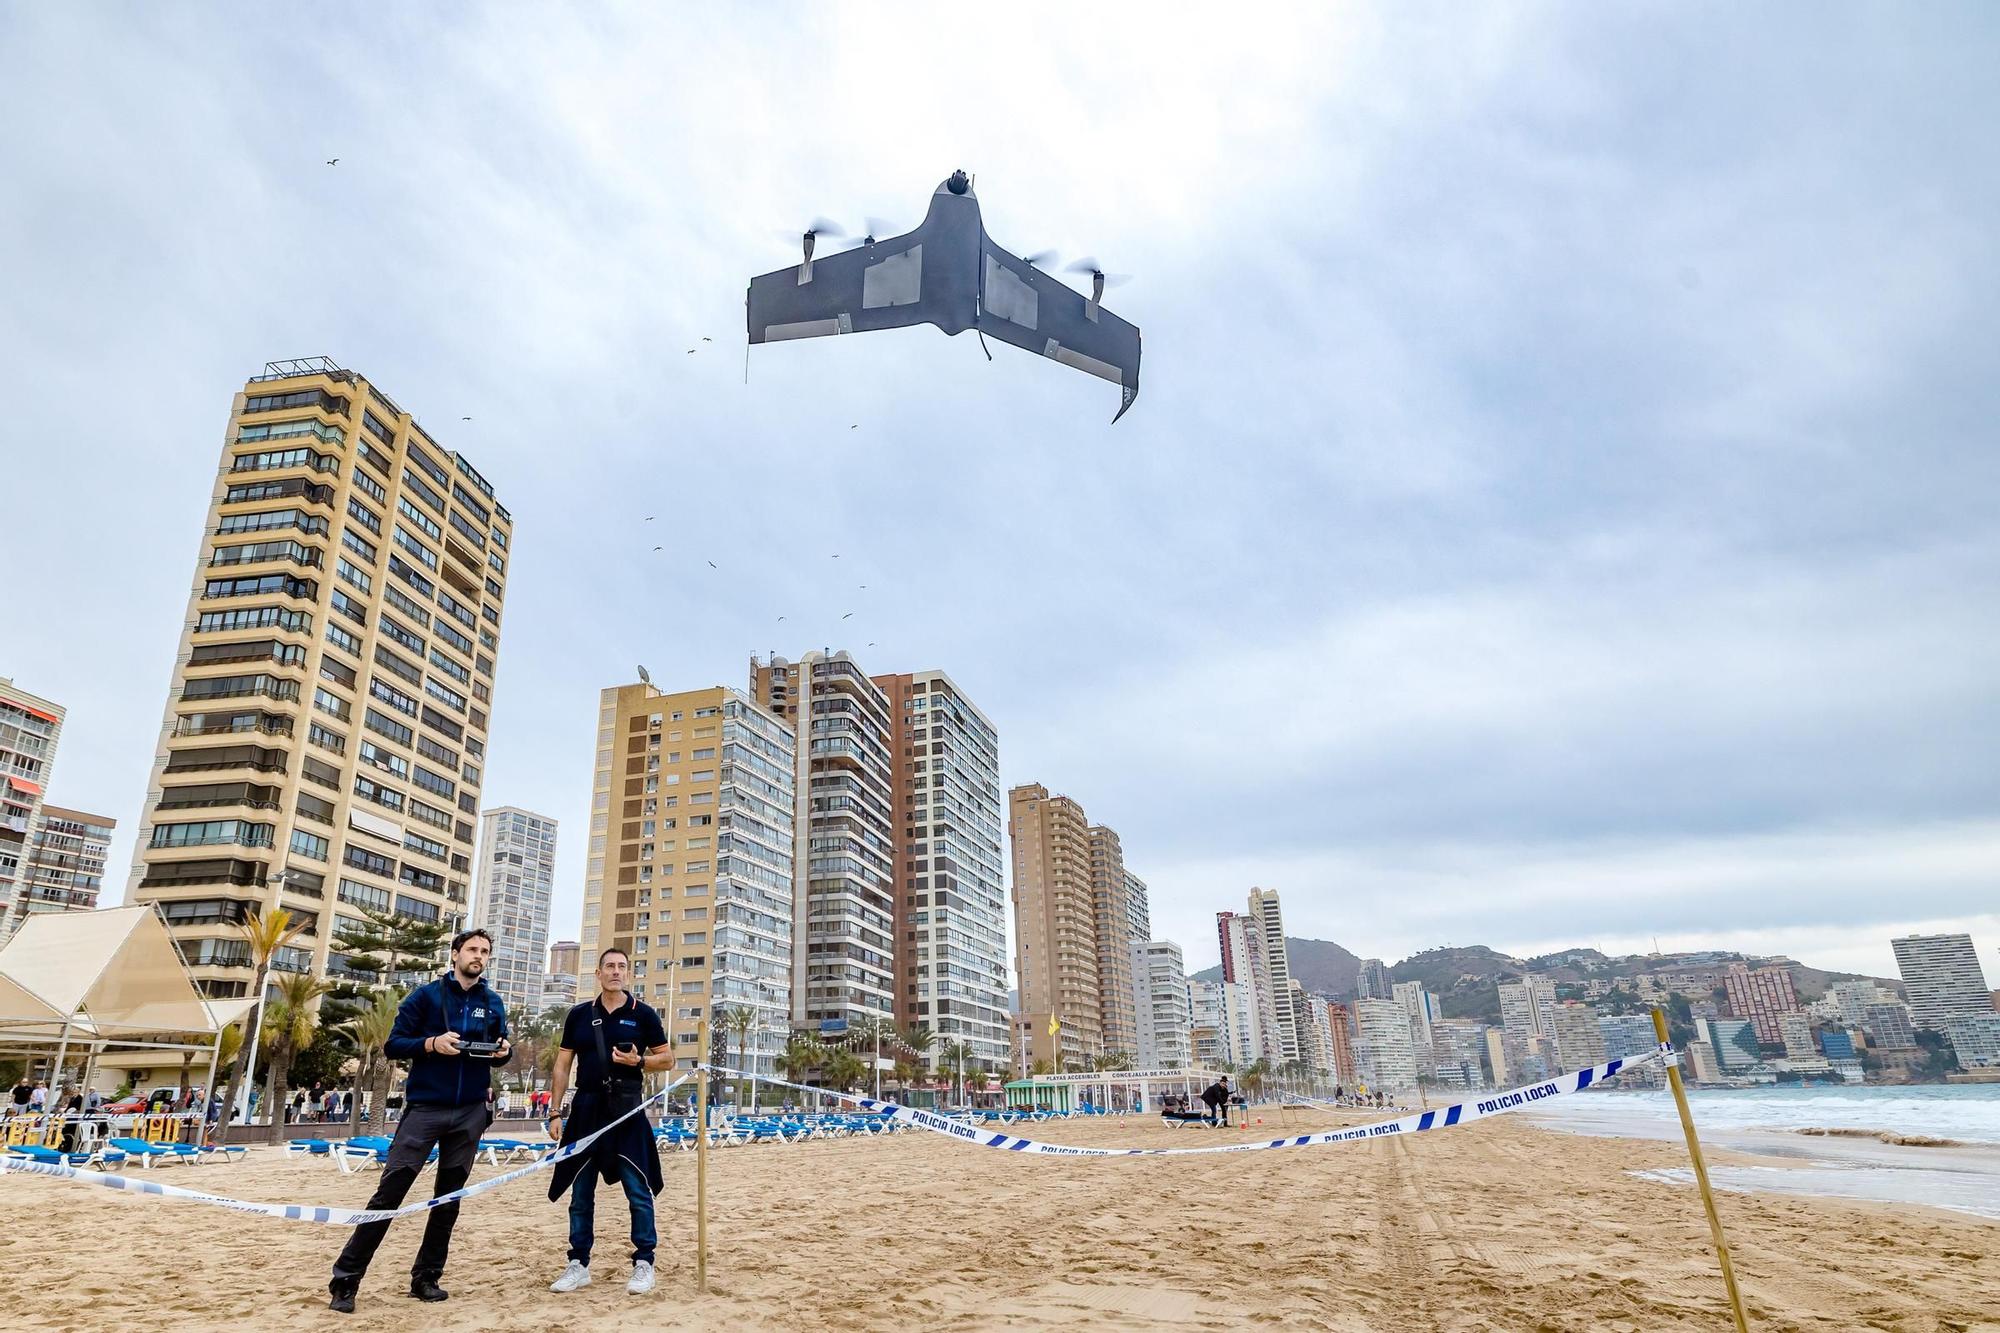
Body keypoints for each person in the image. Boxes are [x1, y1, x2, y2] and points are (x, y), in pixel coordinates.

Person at [326, 929, 512, 1314]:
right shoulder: (426, 996)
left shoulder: (492, 1002)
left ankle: (426, 1277)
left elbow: (498, 1048)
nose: (479, 956)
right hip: (425, 1108)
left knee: (448, 1200)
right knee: (390, 1193)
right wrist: (431, 1044)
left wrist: (503, 1052)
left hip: (470, 1112)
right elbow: (394, 1044)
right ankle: (345, 1282)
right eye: (473, 949)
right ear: (456, 953)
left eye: (485, 952)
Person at [545, 948, 670, 1298]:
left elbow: (668, 1058)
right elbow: (562, 1065)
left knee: (638, 1190)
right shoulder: (579, 1016)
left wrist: (638, 1061)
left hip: (627, 1108)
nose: (616, 972)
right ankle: (578, 1264)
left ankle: (644, 1262)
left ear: (629, 974)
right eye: (609, 967)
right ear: (598, 974)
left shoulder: (643, 1014)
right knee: (580, 1192)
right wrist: (555, 1111)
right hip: (585, 1109)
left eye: (622, 967)